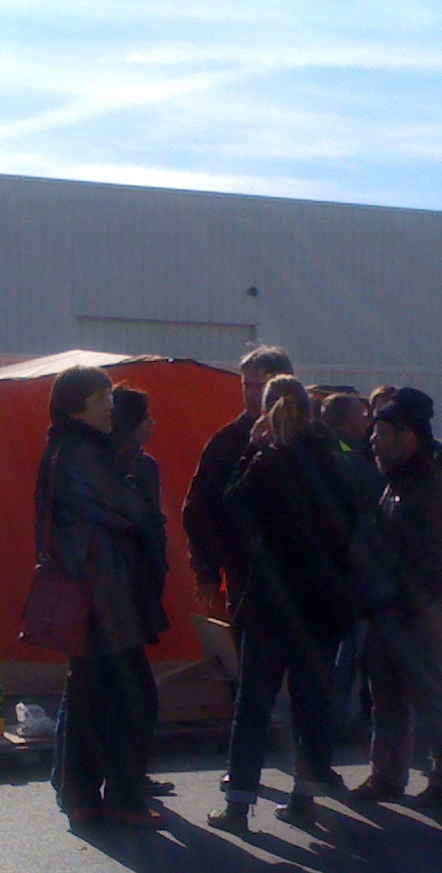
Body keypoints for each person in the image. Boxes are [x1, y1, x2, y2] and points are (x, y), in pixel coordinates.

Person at [207, 375, 358, 834]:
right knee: (311, 704)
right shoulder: (333, 462)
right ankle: (304, 799)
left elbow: (231, 508)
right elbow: (353, 521)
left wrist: (251, 450)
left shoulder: (268, 461)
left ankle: (238, 807)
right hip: (323, 603)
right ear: (310, 412)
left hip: (271, 602)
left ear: (267, 415)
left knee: (253, 705)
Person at [38, 366, 166, 829]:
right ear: (77, 406)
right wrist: (131, 480)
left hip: (85, 588)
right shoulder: (86, 451)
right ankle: (125, 799)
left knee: (88, 696)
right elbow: (131, 510)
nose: (111, 406)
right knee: (134, 695)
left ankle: (83, 797)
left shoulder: (62, 446)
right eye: (101, 398)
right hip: (104, 592)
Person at [352, 387, 442, 807]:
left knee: (430, 695)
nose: (374, 440)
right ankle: (386, 777)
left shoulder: (437, 487)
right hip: (389, 607)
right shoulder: (394, 481)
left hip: (419, 610)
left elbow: (440, 560)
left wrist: (406, 603)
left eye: (382, 433)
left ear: (409, 435)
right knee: (386, 696)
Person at [182, 345, 293, 619]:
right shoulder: (227, 442)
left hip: (304, 574)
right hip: (247, 575)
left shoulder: (314, 438)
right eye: (247, 386)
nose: (253, 395)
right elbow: (199, 508)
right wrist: (206, 571)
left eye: (261, 386)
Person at [110, 384, 172, 799]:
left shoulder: (138, 464)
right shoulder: (131, 466)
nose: (153, 424)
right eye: (146, 417)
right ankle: (127, 779)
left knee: (110, 688)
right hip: (126, 591)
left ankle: (118, 775)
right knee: (136, 691)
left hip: (129, 588)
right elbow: (146, 527)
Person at [319, 389, 384, 735]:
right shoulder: (353, 461)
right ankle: (337, 714)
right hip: (351, 568)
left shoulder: (318, 451)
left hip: (326, 565)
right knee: (349, 643)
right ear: (347, 420)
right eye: (361, 414)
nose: (367, 419)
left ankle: (328, 712)